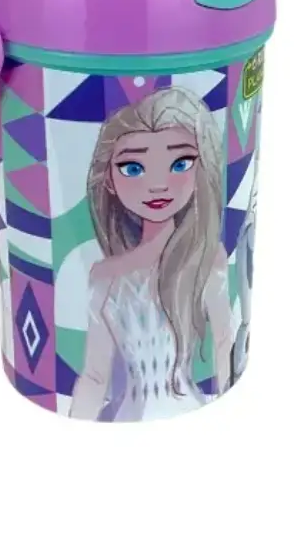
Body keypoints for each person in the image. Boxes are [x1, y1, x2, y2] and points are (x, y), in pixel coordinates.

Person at [70, 86, 233, 421]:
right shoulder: (105, 276)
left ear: (201, 169)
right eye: (133, 168)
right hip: (129, 417)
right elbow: (95, 376)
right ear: (109, 180)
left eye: (180, 163)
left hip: (190, 413)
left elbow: (224, 345)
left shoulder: (205, 257)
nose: (158, 184)